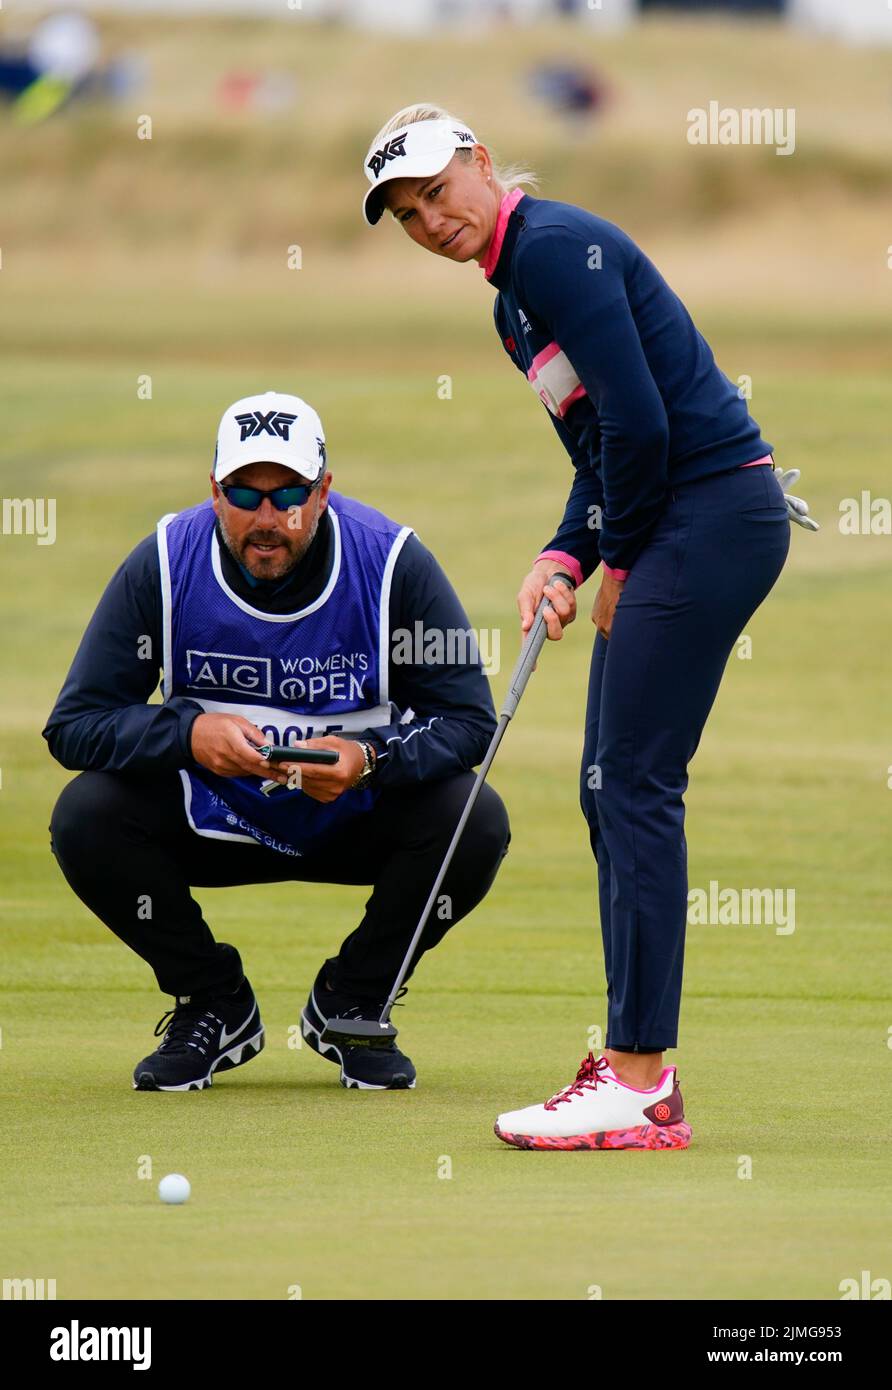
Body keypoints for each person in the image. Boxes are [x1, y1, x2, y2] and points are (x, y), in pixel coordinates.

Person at [360, 104, 815, 1150]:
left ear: (479, 162)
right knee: (608, 783)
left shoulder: (555, 249)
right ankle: (631, 1065)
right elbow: (600, 443)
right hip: (681, 519)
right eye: (407, 213)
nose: (431, 220)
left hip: (708, 518)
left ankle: (641, 1082)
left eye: (438, 191)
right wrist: (563, 554)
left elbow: (646, 430)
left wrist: (618, 559)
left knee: (637, 782)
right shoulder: (513, 301)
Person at [43, 390, 510, 1093]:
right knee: (85, 816)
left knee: (475, 818)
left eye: (289, 493)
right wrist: (189, 733)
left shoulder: (391, 564)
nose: (268, 519)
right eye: (244, 494)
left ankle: (353, 1002)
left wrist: (371, 759)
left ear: (324, 491)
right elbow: (74, 724)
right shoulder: (165, 562)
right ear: (214, 490)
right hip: (211, 815)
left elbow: (470, 719)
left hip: (352, 816)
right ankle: (212, 1001)